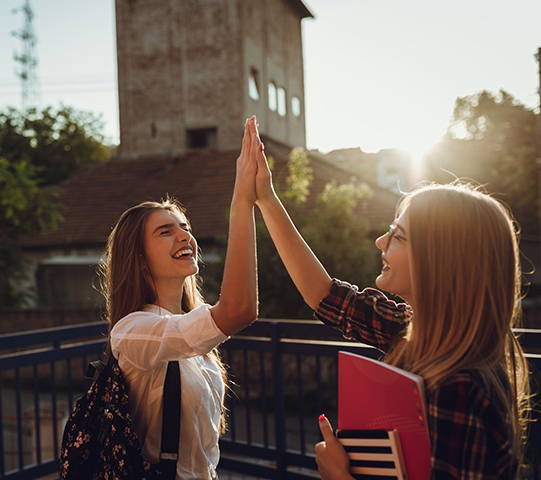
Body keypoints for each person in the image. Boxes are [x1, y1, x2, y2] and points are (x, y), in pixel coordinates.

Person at [251, 129, 531, 478]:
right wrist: (265, 198)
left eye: (398, 235)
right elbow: (325, 296)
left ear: (439, 261)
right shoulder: (413, 331)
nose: (381, 241)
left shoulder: (459, 391)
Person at [99, 116, 261, 479]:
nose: (184, 237)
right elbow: (239, 310)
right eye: (165, 232)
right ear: (139, 260)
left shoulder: (195, 322)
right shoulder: (132, 331)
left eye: (185, 228)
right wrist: (242, 202)